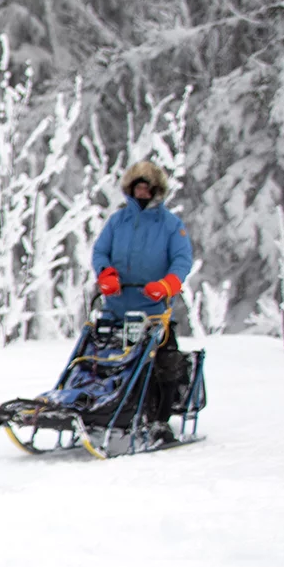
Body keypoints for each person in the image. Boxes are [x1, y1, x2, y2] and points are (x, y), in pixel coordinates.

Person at [90, 159, 194, 439]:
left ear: (157, 190)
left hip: (153, 310)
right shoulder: (117, 221)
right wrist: (106, 274)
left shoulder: (171, 224)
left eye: (148, 187)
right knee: (98, 360)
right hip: (116, 308)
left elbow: (182, 259)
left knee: (165, 362)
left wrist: (168, 284)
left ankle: (161, 419)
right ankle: (95, 408)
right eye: (138, 187)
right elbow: (100, 252)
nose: (142, 192)